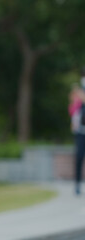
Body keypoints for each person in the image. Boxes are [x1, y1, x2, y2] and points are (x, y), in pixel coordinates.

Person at [69, 67, 85, 196]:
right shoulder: (78, 91)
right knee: (79, 157)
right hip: (81, 130)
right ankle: (77, 184)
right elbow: (74, 108)